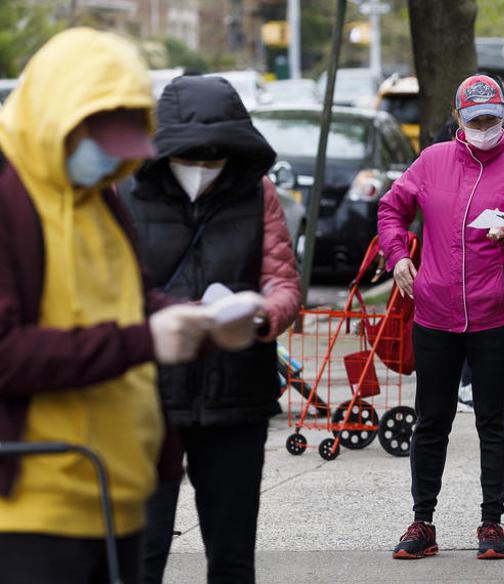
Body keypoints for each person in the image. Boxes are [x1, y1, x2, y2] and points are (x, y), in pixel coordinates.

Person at [0, 28, 255, 584]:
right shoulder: (10, 200)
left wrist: (201, 324)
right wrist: (145, 339)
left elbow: (133, 301)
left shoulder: (98, 201)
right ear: (57, 116)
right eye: (98, 132)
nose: (109, 154)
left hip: (114, 488)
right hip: (31, 509)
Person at [125, 75, 301, 584]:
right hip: (148, 396)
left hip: (237, 393)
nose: (203, 167)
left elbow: (283, 279)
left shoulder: (256, 191)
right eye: (192, 155)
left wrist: (264, 314)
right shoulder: (126, 191)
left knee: (231, 555)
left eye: (216, 155)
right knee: (143, 550)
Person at [379, 75, 504, 561]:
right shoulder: (431, 161)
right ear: (458, 119)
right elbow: (391, 209)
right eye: (475, 121)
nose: (485, 128)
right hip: (434, 309)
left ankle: (492, 522)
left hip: (495, 311)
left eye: (493, 120)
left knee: (493, 419)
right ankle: (422, 521)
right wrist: (397, 257)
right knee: (432, 418)